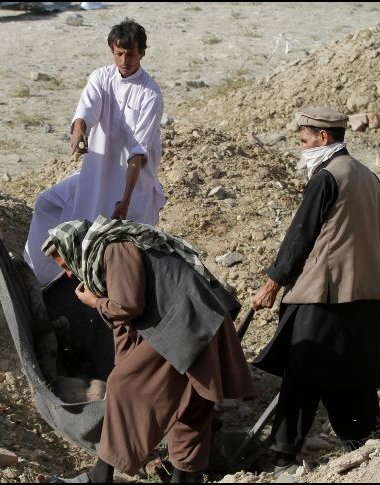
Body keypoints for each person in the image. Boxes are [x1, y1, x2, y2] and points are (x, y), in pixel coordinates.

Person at [42, 216, 257, 483]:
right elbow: (127, 329)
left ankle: (99, 477)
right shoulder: (111, 250)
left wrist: (96, 303)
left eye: (66, 265)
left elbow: (128, 305)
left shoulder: (113, 248)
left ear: (75, 247)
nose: (70, 274)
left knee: (122, 386)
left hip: (188, 324)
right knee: (189, 408)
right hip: (201, 321)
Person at [250, 107, 380, 470]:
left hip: (324, 295)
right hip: (363, 297)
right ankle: (366, 444)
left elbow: (300, 235)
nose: (302, 149)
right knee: (350, 374)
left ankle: (284, 456)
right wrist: (379, 274)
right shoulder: (367, 176)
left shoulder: (327, 177)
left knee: (302, 373)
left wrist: (273, 283)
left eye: (304, 141)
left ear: (323, 138)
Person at [24, 18, 165, 286]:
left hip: (130, 186)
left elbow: (138, 153)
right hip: (95, 174)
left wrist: (125, 200)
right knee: (47, 203)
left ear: (142, 53)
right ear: (113, 50)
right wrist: (79, 128)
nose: (124, 60)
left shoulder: (150, 95)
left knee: (113, 252)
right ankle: (37, 276)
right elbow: (87, 109)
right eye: (119, 53)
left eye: (131, 54)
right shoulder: (102, 77)